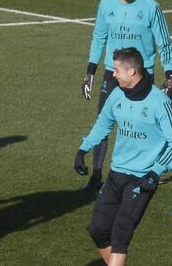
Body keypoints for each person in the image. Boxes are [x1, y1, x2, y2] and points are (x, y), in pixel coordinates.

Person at [74, 47, 172, 266]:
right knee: (98, 230)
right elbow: (103, 124)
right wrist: (83, 150)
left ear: (132, 73)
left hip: (143, 179)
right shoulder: (117, 95)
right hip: (116, 174)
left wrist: (156, 173)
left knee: (120, 236)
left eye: (117, 70)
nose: (113, 74)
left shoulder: (160, 103)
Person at [81, 0, 172, 191]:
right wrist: (90, 71)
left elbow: (164, 42)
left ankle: (150, 171)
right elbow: (98, 37)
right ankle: (96, 175)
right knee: (104, 123)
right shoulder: (105, 5)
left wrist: (170, 74)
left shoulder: (151, 7)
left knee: (144, 128)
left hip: (142, 78)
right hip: (113, 75)